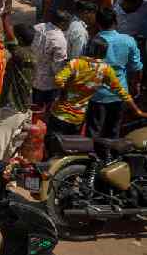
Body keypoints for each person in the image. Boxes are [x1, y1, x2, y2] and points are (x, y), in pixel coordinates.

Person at [50, 37, 142, 151]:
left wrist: (65, 90)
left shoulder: (75, 63)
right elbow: (122, 92)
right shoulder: (105, 69)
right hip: (78, 118)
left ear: (88, 49)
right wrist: (137, 110)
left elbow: (58, 80)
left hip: (59, 113)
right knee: (71, 147)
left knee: (52, 145)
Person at [0, 15, 36, 161]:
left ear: (19, 38)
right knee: (10, 151)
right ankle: (6, 181)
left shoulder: (21, 54)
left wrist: (4, 17)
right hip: (21, 110)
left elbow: (10, 38)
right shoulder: (31, 54)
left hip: (11, 110)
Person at [89, 8, 142, 138]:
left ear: (98, 23)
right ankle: (111, 156)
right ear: (115, 22)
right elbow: (136, 68)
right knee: (113, 131)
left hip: (96, 94)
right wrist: (136, 85)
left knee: (94, 132)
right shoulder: (128, 40)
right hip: (119, 93)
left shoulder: (93, 42)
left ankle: (93, 157)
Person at [31, 11, 72, 112]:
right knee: (47, 112)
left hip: (33, 76)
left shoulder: (38, 27)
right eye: (68, 23)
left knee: (35, 109)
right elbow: (57, 66)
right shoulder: (59, 40)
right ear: (62, 23)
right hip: (48, 84)